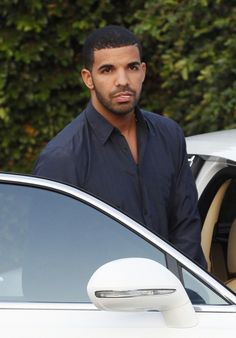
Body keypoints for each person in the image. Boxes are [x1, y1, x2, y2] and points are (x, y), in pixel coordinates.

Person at [33, 25, 207, 268]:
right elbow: (49, 258)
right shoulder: (63, 158)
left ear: (143, 71)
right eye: (107, 70)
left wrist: (180, 291)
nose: (123, 81)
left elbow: (186, 228)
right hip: (105, 302)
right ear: (88, 78)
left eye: (132, 67)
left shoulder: (169, 135)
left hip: (176, 296)